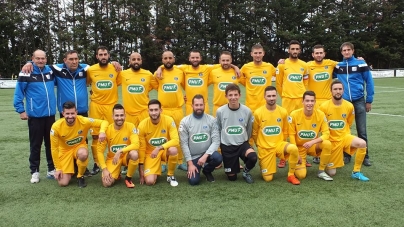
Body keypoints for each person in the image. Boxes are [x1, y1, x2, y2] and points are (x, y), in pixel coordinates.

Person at [21, 50, 121, 176]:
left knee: (82, 141)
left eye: (76, 59)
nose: (74, 61)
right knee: (68, 141)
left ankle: (83, 168)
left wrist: (114, 62)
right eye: (71, 59)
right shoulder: (57, 69)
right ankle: (70, 168)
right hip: (67, 113)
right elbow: (41, 64)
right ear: (65, 60)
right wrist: (29, 63)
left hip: (82, 111)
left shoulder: (85, 69)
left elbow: (102, 63)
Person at [13, 49, 56, 183]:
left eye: (43, 58)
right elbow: (18, 93)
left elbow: (67, 65)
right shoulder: (26, 72)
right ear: (33, 58)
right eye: (37, 58)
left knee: (51, 144)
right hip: (35, 116)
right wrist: (20, 110)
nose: (40, 61)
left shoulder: (50, 71)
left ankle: (51, 169)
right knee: (35, 145)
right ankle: (35, 172)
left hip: (50, 115)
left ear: (46, 59)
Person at [155, 50, 240, 115]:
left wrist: (235, 67)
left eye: (197, 57)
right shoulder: (184, 68)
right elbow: (169, 65)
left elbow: (224, 64)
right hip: (189, 105)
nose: (195, 59)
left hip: (204, 104)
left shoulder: (206, 68)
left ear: (200, 58)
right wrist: (160, 68)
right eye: (192, 58)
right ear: (189, 58)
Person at [333, 42, 374, 166]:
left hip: (359, 100)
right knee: (345, 130)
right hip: (344, 103)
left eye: (348, 50)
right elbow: (332, 79)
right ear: (341, 52)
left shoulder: (361, 64)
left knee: (362, 130)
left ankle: (365, 155)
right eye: (344, 50)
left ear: (353, 50)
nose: (346, 52)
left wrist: (369, 100)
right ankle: (347, 154)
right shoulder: (338, 66)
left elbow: (369, 81)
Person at [319, 80, 369, 181]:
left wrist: (344, 133)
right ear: (331, 91)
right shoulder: (323, 107)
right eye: (335, 89)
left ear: (343, 91)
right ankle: (329, 157)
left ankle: (356, 171)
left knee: (362, 143)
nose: (338, 91)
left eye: (340, 89)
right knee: (332, 173)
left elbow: (349, 122)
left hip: (344, 137)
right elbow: (321, 126)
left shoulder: (349, 106)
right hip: (331, 141)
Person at [50, 101, 109, 188]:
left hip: (79, 147)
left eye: (72, 113)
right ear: (63, 113)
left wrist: (102, 131)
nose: (70, 116)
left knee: (83, 154)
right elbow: (54, 149)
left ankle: (80, 176)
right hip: (65, 151)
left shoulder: (84, 120)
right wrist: (58, 168)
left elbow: (104, 122)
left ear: (76, 112)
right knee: (63, 183)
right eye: (67, 114)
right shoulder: (56, 127)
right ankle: (72, 169)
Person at [252, 86, 300, 185]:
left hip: (279, 144)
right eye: (269, 96)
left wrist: (282, 143)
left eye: (273, 95)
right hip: (265, 148)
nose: (271, 98)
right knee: (268, 178)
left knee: (293, 148)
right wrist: (259, 145)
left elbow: (285, 130)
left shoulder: (283, 111)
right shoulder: (258, 113)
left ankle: (291, 175)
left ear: (277, 96)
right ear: (264, 97)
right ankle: (264, 163)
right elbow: (254, 132)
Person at [87, 46, 122, 175]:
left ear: (108, 55)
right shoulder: (91, 70)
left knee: (115, 134)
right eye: (100, 55)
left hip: (111, 106)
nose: (103, 57)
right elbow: (87, 83)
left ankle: (118, 160)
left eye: (105, 54)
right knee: (96, 136)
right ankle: (97, 163)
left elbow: (117, 83)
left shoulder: (115, 68)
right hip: (96, 106)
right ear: (97, 56)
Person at [275, 40, 309, 168]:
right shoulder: (282, 65)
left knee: (301, 127)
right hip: (287, 100)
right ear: (288, 50)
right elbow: (278, 83)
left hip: (300, 100)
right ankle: (284, 156)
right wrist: (284, 94)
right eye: (292, 49)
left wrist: (303, 93)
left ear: (300, 51)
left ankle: (303, 155)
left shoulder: (304, 65)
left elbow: (305, 82)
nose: (295, 51)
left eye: (297, 49)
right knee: (286, 129)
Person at [216, 84, 257, 183]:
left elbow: (248, 129)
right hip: (227, 145)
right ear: (226, 96)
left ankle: (246, 172)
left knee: (253, 157)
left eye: (235, 94)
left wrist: (245, 140)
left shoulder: (247, 111)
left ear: (239, 95)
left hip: (242, 144)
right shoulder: (220, 111)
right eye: (230, 95)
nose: (233, 97)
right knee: (232, 178)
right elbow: (219, 128)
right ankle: (234, 163)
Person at [288, 91, 333, 181]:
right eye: (307, 101)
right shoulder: (294, 114)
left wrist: (312, 142)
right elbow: (291, 135)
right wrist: (296, 153)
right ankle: (300, 163)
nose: (310, 103)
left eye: (312, 101)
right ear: (302, 102)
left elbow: (326, 134)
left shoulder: (320, 114)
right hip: (300, 148)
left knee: (327, 144)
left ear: (315, 102)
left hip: (312, 146)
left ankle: (321, 171)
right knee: (301, 175)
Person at [153, 50, 187, 171]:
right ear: (162, 60)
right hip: (164, 110)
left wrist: (184, 96)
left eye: (170, 58)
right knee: (164, 136)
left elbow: (186, 86)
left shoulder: (180, 72)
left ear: (174, 59)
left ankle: (180, 161)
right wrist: (159, 68)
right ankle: (163, 162)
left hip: (178, 110)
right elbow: (154, 86)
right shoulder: (158, 73)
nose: (168, 60)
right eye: (165, 58)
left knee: (180, 135)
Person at [179, 94, 222, 185]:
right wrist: (190, 164)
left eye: (201, 105)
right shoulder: (185, 121)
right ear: (192, 106)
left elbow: (216, 141)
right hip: (194, 156)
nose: (199, 107)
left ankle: (207, 170)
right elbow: (184, 144)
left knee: (218, 158)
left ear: (204, 105)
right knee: (193, 182)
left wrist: (205, 156)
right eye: (196, 105)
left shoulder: (211, 120)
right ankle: (195, 167)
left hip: (207, 154)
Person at [137, 99, 180, 187]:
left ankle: (170, 175)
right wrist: (141, 169)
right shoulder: (142, 125)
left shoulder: (168, 120)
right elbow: (141, 148)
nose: (154, 113)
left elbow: (176, 140)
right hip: (151, 154)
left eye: (156, 110)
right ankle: (155, 169)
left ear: (161, 110)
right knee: (149, 182)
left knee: (173, 150)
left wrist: (159, 148)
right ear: (148, 111)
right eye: (151, 110)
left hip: (164, 151)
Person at [97, 104, 140, 188]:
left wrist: (120, 151)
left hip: (126, 157)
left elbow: (136, 144)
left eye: (121, 115)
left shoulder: (131, 126)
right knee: (107, 184)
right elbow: (99, 152)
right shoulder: (107, 130)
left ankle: (128, 178)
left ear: (125, 116)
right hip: (113, 159)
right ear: (112, 116)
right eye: (116, 115)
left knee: (134, 154)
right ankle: (117, 173)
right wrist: (104, 169)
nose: (119, 118)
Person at [121, 52, 156, 127]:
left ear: (141, 61)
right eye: (133, 59)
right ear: (129, 61)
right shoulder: (122, 74)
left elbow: (157, 85)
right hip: (129, 113)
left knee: (146, 135)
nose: (136, 61)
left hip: (144, 112)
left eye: (138, 59)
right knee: (130, 136)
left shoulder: (148, 74)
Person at [239, 44, 276, 113]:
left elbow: (280, 74)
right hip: (251, 106)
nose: (258, 55)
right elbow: (239, 77)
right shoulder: (246, 67)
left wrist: (282, 62)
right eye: (255, 53)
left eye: (260, 53)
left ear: (263, 53)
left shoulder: (269, 67)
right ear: (251, 54)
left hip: (266, 106)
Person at [209, 51, 240, 116]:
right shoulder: (213, 72)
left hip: (233, 107)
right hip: (218, 107)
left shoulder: (237, 73)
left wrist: (235, 67)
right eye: (223, 60)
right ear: (220, 61)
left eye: (227, 60)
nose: (225, 62)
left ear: (231, 60)